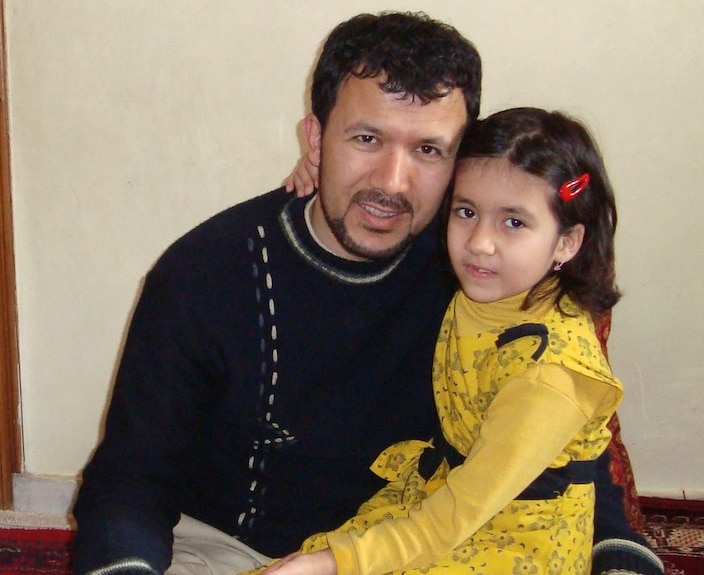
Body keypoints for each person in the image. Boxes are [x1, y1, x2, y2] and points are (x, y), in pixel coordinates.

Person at [72, 11, 660, 575]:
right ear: (315, 139)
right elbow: (130, 480)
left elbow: (558, 450)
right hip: (233, 551)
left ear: (461, 164)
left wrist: (616, 551)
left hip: (426, 543)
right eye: (366, 138)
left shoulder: (477, 271)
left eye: (428, 150)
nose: (392, 182)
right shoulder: (206, 275)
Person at [248, 108, 664, 575]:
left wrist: (334, 562)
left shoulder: (550, 376)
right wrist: (324, 170)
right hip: (440, 493)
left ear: (567, 243)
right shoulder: (487, 282)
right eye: (466, 212)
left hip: (511, 541)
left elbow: (461, 512)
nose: (479, 242)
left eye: (513, 223)